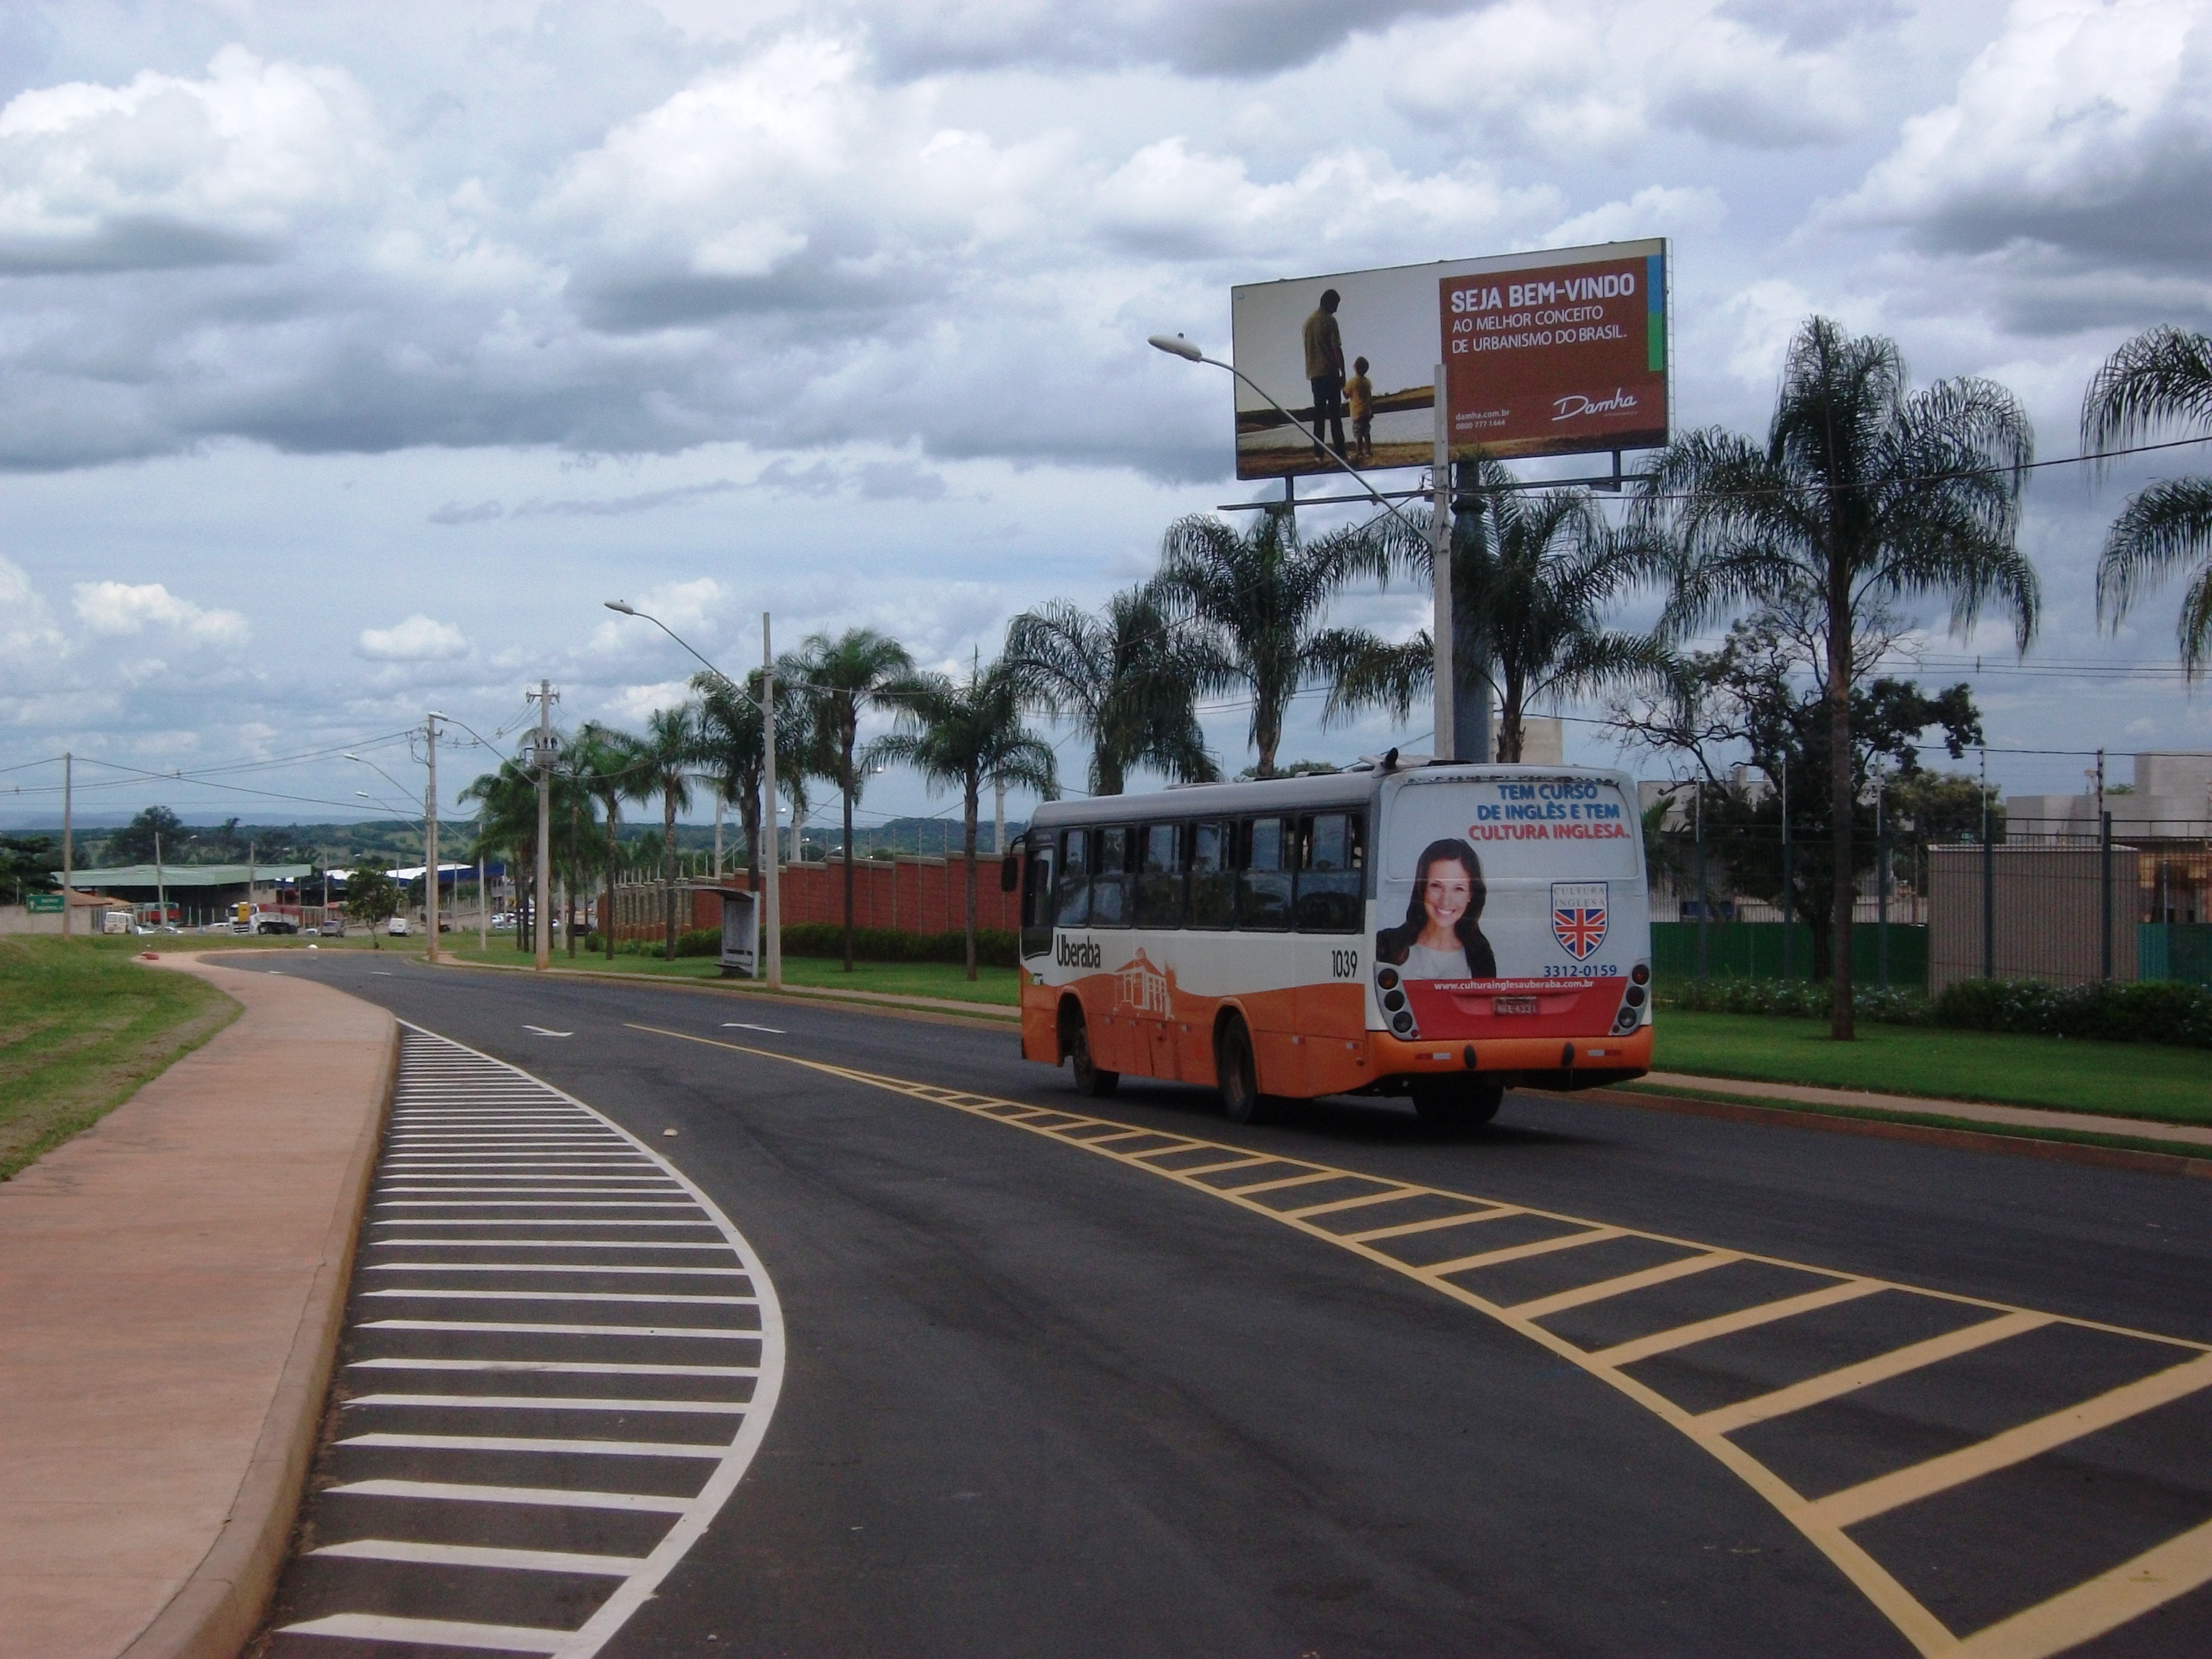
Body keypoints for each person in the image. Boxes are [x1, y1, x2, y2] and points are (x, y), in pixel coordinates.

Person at [1376, 839, 1497, 979]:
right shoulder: (1387, 944)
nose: (1445, 900)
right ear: (1423, 889)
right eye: (1436, 886)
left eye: (1459, 889)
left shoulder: (1481, 959)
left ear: (1471, 894)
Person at [1302, 288, 1346, 462]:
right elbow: (1336, 349)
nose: (1337, 309)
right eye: (1336, 305)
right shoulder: (1330, 321)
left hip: (1314, 374)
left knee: (1319, 416)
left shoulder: (1308, 323)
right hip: (1329, 373)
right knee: (1335, 415)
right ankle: (1340, 453)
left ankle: (1318, 454)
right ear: (1328, 303)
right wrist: (1343, 372)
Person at [1346, 354, 1375, 462]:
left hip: (1357, 412)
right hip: (1366, 411)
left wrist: (1342, 386)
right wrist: (1371, 409)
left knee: (1358, 433)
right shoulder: (1367, 382)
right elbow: (1370, 396)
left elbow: (1346, 395)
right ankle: (1368, 451)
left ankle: (1359, 452)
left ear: (1355, 367)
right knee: (1366, 432)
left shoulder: (1352, 382)